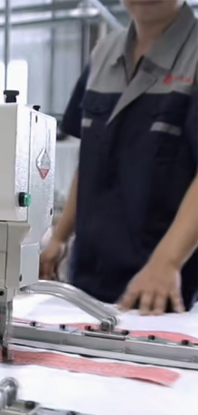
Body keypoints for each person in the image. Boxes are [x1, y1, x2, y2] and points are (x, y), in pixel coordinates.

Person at [41, 0, 198, 314]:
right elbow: (91, 160)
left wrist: (167, 262)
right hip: (88, 279)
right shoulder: (103, 54)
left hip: (165, 289)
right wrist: (59, 237)